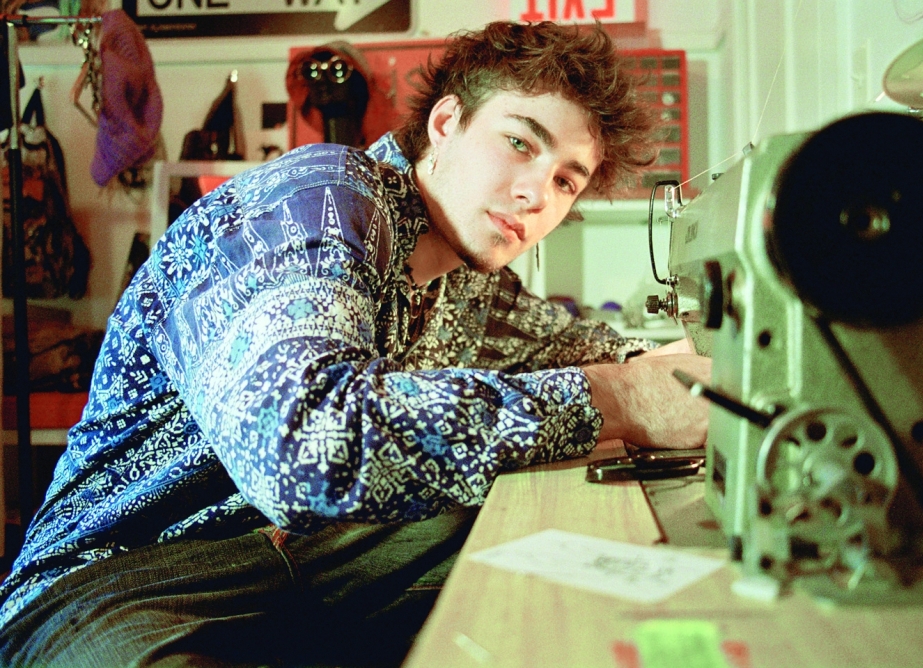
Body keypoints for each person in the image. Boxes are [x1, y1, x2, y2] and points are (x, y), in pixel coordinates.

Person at [0, 20, 710, 667]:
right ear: (446, 122)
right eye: (520, 143)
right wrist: (618, 399)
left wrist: (698, 367)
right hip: (118, 583)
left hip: (306, 565)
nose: (537, 194)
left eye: (565, 181)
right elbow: (304, 449)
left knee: (551, 575)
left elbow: (610, 360)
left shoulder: (473, 289)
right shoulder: (317, 200)